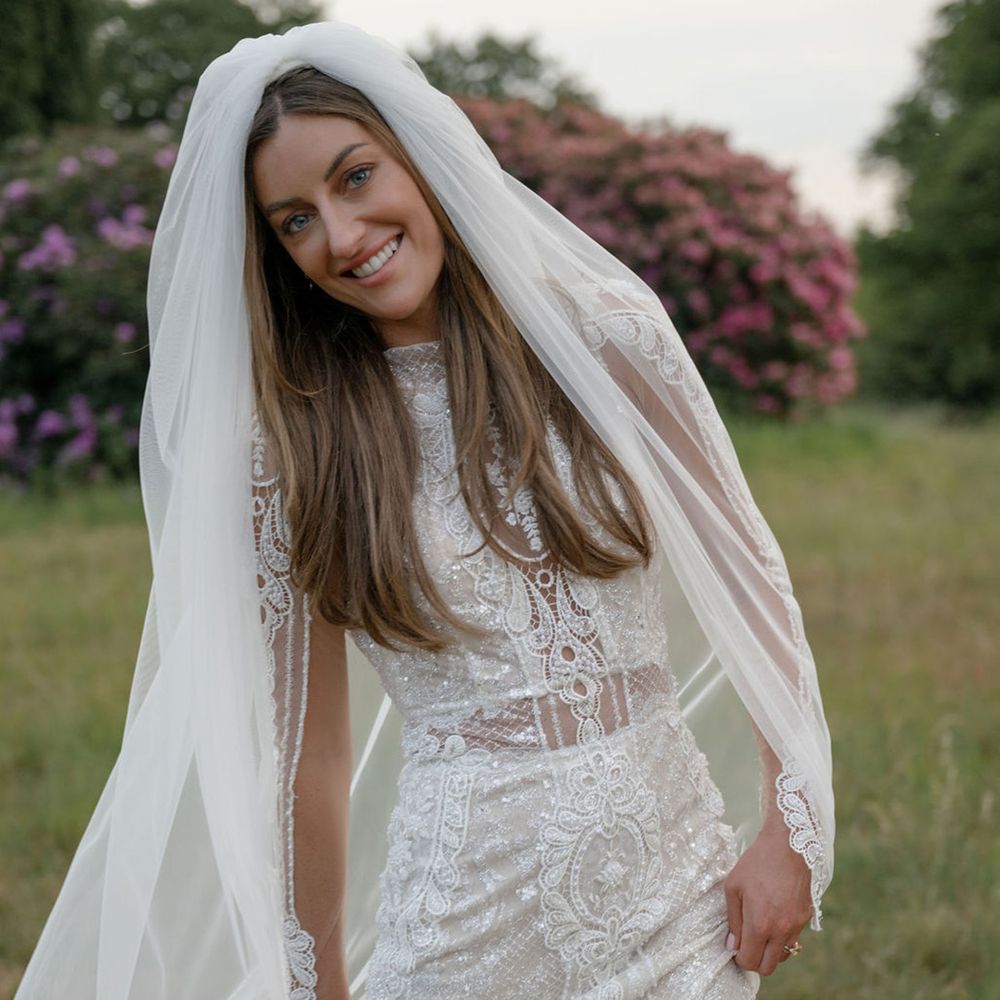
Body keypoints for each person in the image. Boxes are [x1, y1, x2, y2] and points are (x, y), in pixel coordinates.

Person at [14, 21, 834, 1000]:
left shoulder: (608, 341)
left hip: (677, 898)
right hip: (466, 930)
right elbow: (307, 761)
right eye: (294, 220)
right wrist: (314, 984)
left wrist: (793, 828)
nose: (340, 235)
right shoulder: (294, 449)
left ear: (419, 155)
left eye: (354, 178)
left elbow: (749, 572)